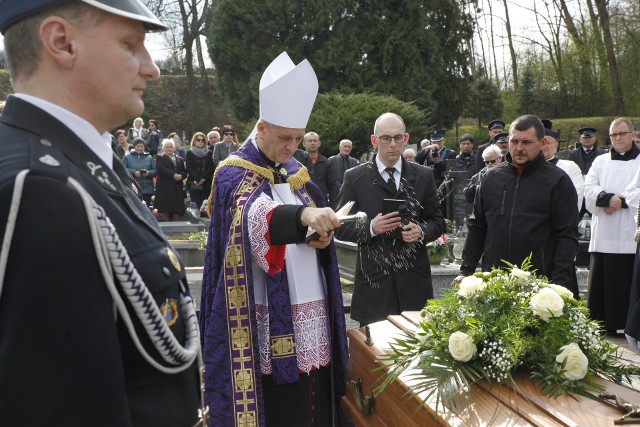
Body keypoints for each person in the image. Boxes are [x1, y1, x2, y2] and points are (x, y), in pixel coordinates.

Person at [0, 2, 201, 426]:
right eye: (130, 45)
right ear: (61, 42)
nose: (152, 69)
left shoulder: (81, 161)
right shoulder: (40, 190)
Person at [199, 51, 349, 426]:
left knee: (315, 394)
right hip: (260, 309)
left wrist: (320, 236)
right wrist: (303, 215)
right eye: (284, 137)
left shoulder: (296, 171)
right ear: (261, 127)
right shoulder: (232, 172)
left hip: (310, 302)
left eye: (298, 138)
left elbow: (310, 218)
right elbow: (254, 215)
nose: (291, 147)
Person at [334, 112, 446, 326]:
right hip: (374, 284)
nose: (392, 144)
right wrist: (370, 228)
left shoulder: (424, 175)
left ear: (406, 139)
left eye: (398, 138)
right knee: (374, 357)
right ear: (374, 140)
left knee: (417, 354)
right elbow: (339, 225)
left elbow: (437, 221)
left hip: (414, 282)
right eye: (386, 138)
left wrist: (421, 231)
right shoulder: (355, 177)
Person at [457, 115, 579, 297]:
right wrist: (466, 271)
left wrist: (558, 284)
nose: (519, 148)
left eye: (527, 142)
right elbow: (477, 227)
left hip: (540, 283)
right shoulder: (491, 178)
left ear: (542, 142)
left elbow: (566, 235)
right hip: (496, 281)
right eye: (514, 141)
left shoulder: (558, 181)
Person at [584, 118, 640, 334]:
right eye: (614, 135)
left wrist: (621, 201)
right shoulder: (600, 161)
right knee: (603, 280)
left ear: (632, 134)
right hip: (604, 232)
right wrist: (605, 199)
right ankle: (602, 323)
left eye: (622, 133)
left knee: (629, 279)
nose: (618, 138)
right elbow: (589, 187)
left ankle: (630, 326)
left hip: (631, 232)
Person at [540, 120, 584, 211]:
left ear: (556, 145)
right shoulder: (526, 167)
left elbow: (576, 194)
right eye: (540, 143)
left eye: (547, 143)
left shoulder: (570, 167)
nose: (543, 146)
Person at [566, 127, 608, 221]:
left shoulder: (602, 154)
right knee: (573, 220)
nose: (587, 139)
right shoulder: (573, 154)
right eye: (585, 138)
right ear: (580, 139)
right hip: (578, 191)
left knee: (598, 220)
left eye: (590, 137)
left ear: (594, 139)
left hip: (595, 191)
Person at [303, 131, 339, 206]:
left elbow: (332, 186)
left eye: (315, 141)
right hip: (302, 202)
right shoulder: (297, 162)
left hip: (321, 203)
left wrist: (334, 206)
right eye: (309, 141)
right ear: (304, 143)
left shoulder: (326, 163)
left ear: (319, 143)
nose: (312, 143)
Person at [155, 138, 187, 221]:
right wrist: (173, 175)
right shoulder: (160, 157)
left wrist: (181, 176)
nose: (169, 148)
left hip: (177, 187)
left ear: (174, 148)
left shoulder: (180, 159)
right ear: (163, 148)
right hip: (165, 187)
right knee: (165, 209)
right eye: (167, 147)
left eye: (171, 147)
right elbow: (161, 169)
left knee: (177, 209)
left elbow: (184, 172)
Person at [185, 132, 215, 212]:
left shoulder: (208, 153)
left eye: (203, 140)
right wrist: (198, 178)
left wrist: (203, 178)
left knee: (205, 205)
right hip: (194, 182)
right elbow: (189, 168)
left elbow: (211, 168)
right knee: (195, 205)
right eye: (198, 140)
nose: (201, 141)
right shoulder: (189, 153)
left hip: (206, 182)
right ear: (194, 141)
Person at [123, 138, 157, 207]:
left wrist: (148, 173)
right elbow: (122, 169)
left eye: (142, 146)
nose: (140, 148)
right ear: (134, 146)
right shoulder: (127, 157)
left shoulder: (149, 157)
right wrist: (134, 173)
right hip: (132, 188)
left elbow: (155, 171)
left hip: (147, 189)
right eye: (138, 146)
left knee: (146, 209)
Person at [328, 139, 359, 208]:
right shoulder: (331, 160)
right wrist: (341, 187)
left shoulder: (355, 162)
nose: (347, 148)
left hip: (351, 195)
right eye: (345, 146)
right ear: (340, 147)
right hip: (335, 195)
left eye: (349, 147)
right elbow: (330, 178)